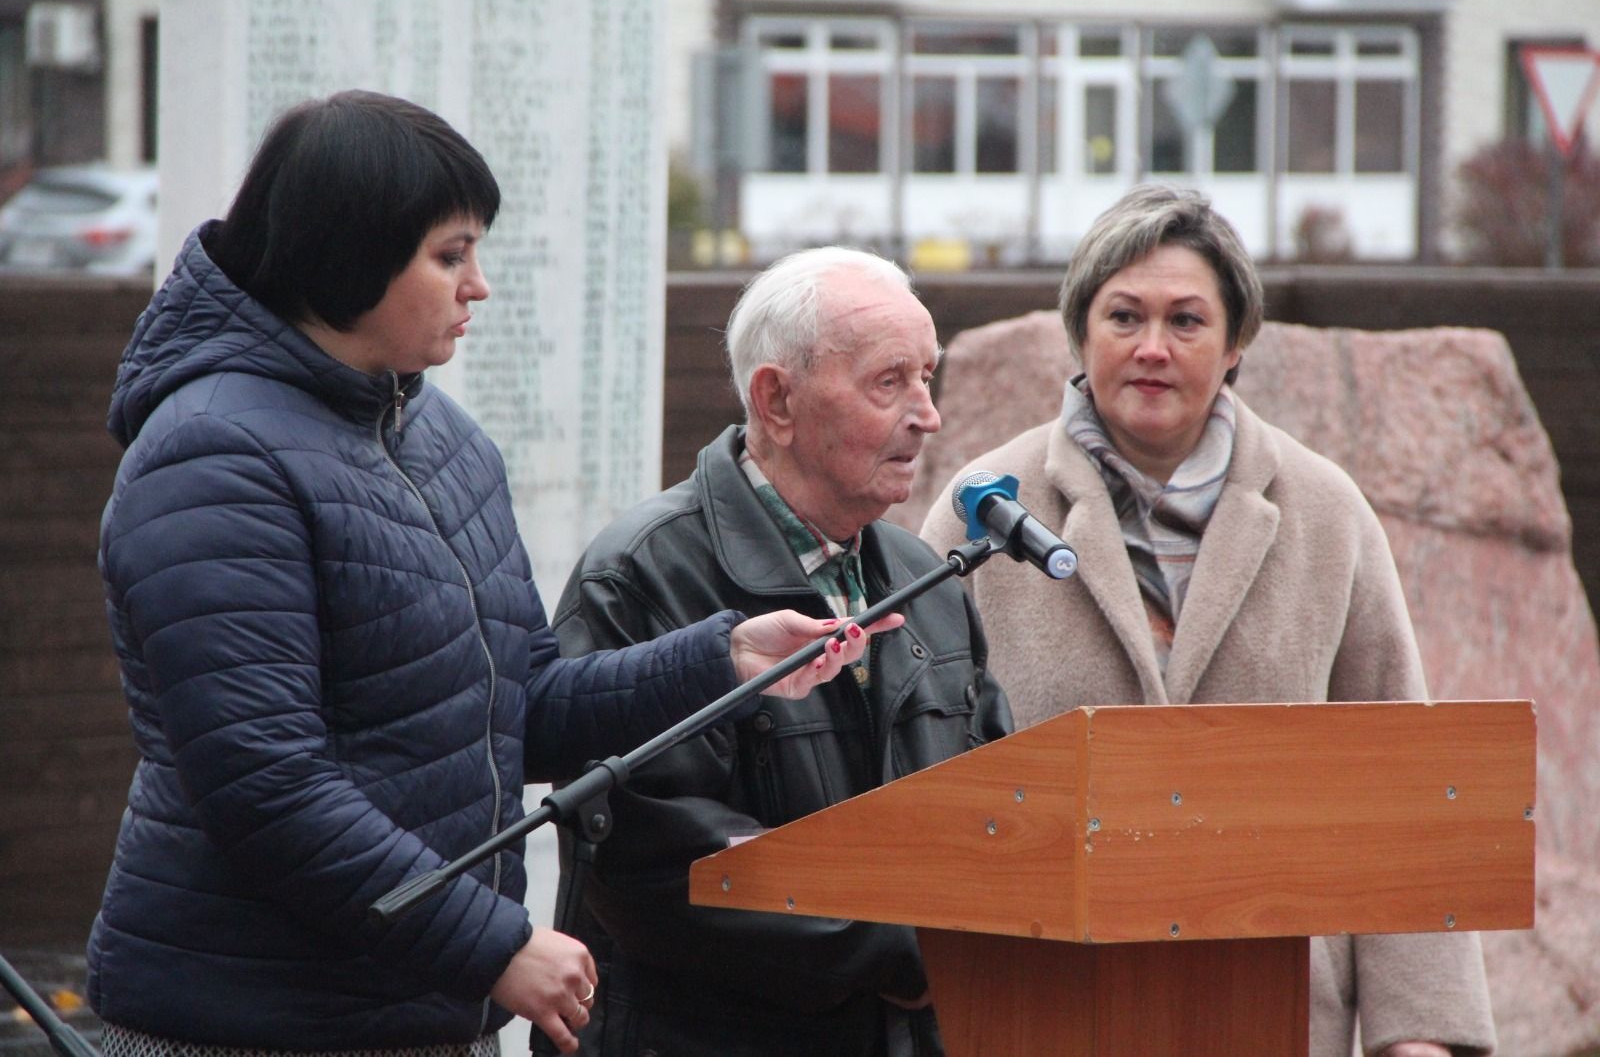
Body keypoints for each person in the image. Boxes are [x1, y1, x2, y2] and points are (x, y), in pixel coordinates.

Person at [87, 91, 889, 1057]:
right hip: (255, 1019)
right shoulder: (210, 455)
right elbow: (265, 783)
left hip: (425, 1007)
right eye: (449, 255)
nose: (480, 287)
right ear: (350, 252)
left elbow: (520, 708)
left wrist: (722, 661)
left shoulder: (440, 439)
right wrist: (492, 942)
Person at [920, 184, 1495, 1057]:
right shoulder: (985, 510)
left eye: (1186, 321)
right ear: (1079, 334)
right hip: (1036, 1003)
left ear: (1235, 346)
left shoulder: (1323, 511)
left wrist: (1420, 1033)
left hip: (1273, 1001)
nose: (1152, 348)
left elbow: (1403, 781)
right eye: (1124, 317)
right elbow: (916, 776)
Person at [548, 246, 1012, 1056]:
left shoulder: (923, 577)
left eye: (927, 377)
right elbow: (656, 855)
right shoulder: (643, 572)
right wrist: (916, 946)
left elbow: (1001, 793)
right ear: (777, 400)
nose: (927, 414)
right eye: (888, 381)